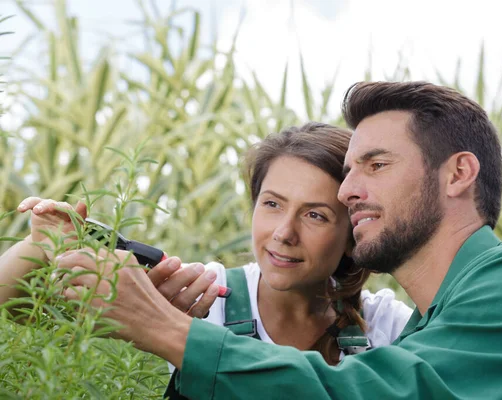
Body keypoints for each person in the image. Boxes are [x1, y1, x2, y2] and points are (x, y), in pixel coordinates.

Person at [54, 81, 502, 399]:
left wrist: (163, 328)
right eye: (348, 171)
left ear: (458, 174)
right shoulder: (424, 330)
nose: (350, 191)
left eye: (376, 165)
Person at [0, 124, 412, 367]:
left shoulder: (388, 327)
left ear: (350, 232)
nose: (283, 233)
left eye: (315, 215)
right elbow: (18, 308)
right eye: (271, 204)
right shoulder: (200, 294)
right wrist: (40, 246)